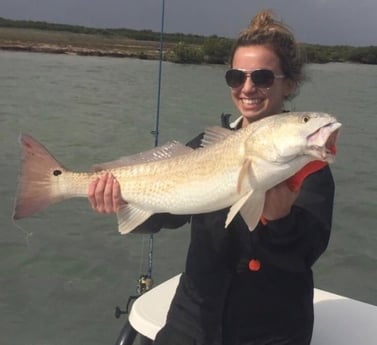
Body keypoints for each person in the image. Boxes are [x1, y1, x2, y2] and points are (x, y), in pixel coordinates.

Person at [88, 10, 335, 345]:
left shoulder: (308, 164)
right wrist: (119, 199)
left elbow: (307, 252)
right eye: (236, 77)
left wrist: (279, 220)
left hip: (271, 329)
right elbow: (166, 214)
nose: (247, 88)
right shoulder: (206, 145)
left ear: (288, 84)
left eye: (262, 77)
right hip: (193, 319)